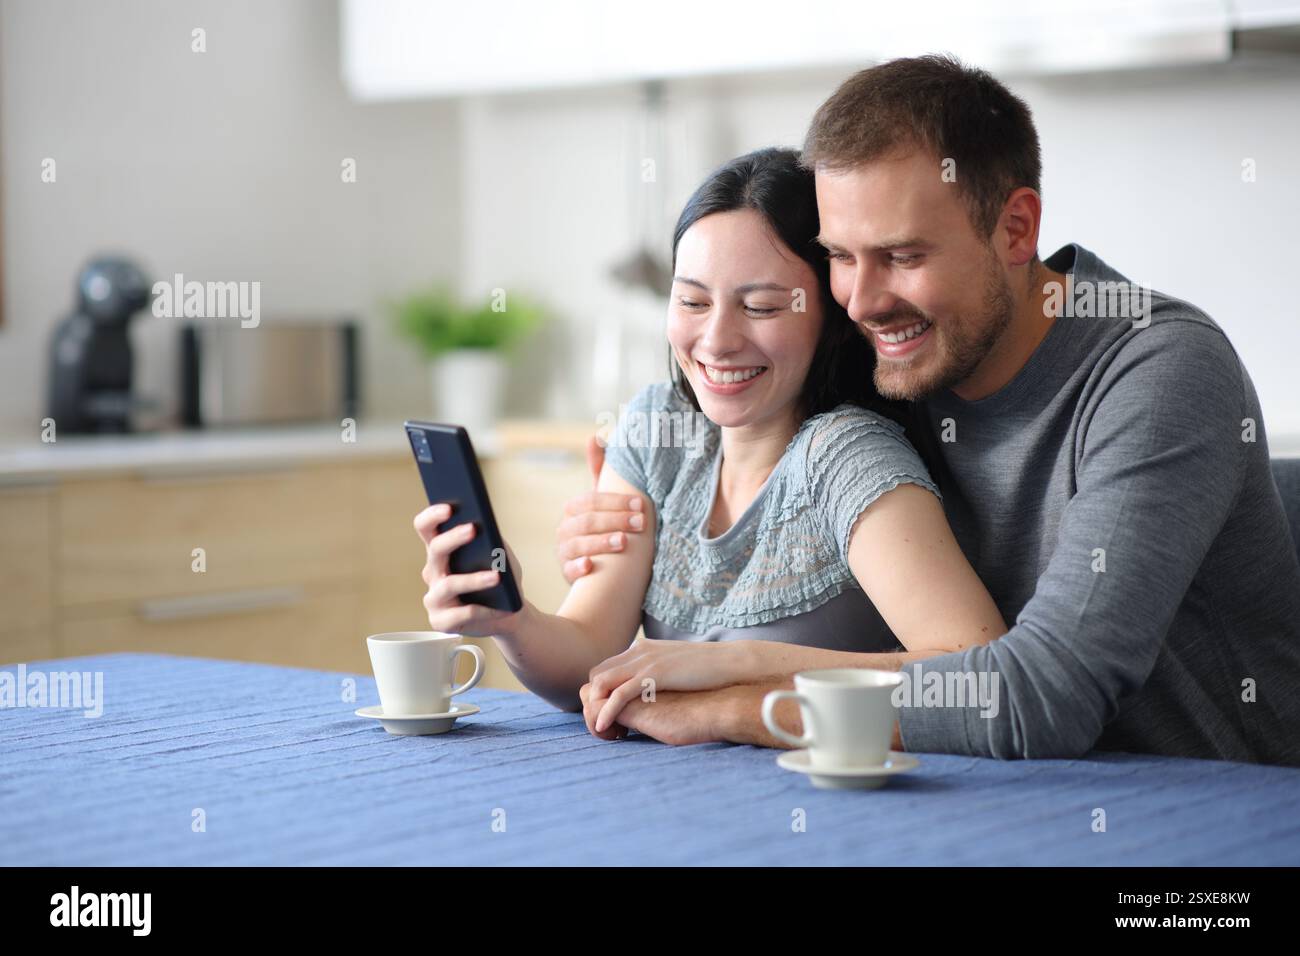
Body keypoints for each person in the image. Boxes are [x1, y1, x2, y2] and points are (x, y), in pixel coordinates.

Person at [560, 55, 1300, 766]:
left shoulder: (1159, 372)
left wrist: (736, 694)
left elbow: (1047, 694)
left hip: (1221, 803)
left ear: (1016, 228)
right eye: (841, 258)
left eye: (903, 256)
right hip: (993, 795)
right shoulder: (895, 365)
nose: (862, 300)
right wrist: (632, 527)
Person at [414, 147, 1006, 721]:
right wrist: (511, 619)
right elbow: (587, 661)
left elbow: (978, 675)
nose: (717, 340)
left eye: (762, 307)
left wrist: (738, 666)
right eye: (693, 301)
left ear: (831, 318)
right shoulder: (658, 432)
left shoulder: (847, 457)